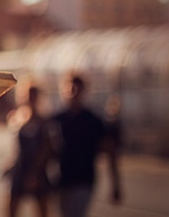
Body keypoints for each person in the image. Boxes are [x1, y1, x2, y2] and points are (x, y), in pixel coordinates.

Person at [51, 74, 122, 217]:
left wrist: (115, 184)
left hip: (83, 179)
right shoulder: (57, 120)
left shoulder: (93, 122)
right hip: (62, 179)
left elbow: (110, 151)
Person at [4, 85, 52, 217]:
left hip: (36, 170)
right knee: (10, 205)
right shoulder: (16, 118)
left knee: (42, 207)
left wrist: (35, 173)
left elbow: (46, 149)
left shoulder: (43, 121)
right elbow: (16, 149)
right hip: (19, 168)